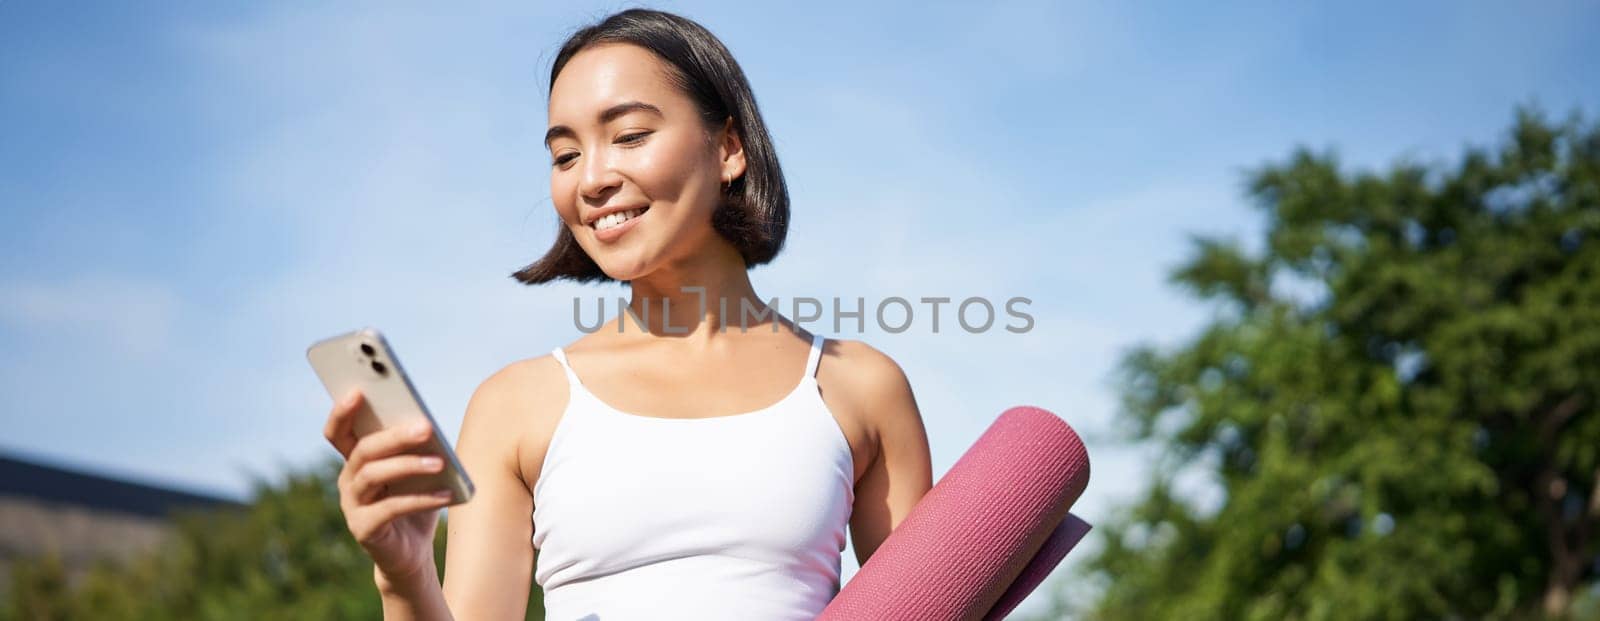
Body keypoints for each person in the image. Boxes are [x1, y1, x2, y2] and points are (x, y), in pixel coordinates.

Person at [321, 8, 932, 620]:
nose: (590, 179)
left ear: (728, 148)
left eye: (630, 136)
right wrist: (403, 577)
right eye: (564, 156)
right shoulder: (515, 405)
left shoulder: (861, 388)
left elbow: (936, 601)